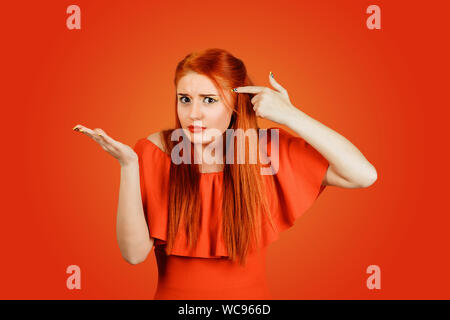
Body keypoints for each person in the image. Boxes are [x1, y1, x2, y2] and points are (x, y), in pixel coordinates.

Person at [72, 48, 377, 300]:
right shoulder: (154, 151)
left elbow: (362, 175)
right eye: (185, 99)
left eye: (209, 99)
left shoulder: (265, 150)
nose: (194, 114)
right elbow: (133, 254)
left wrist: (290, 115)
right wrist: (128, 166)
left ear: (234, 104)